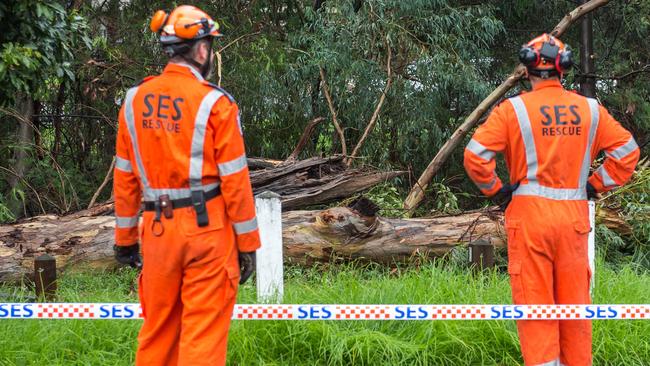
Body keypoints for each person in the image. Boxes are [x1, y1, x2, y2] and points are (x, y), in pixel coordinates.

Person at [464, 34, 639, 366]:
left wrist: (496, 190)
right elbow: (627, 152)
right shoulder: (590, 109)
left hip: (529, 222)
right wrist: (595, 184)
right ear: (564, 70)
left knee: (536, 310)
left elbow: (475, 157)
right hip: (574, 221)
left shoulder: (512, 109)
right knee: (575, 311)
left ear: (527, 69)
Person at [112, 5, 261, 365]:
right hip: (207, 234)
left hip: (158, 233)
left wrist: (125, 241)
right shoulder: (216, 103)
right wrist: (248, 245)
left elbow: (126, 179)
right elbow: (236, 182)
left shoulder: (134, 101)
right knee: (202, 339)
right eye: (209, 45)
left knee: (158, 333)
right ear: (199, 49)